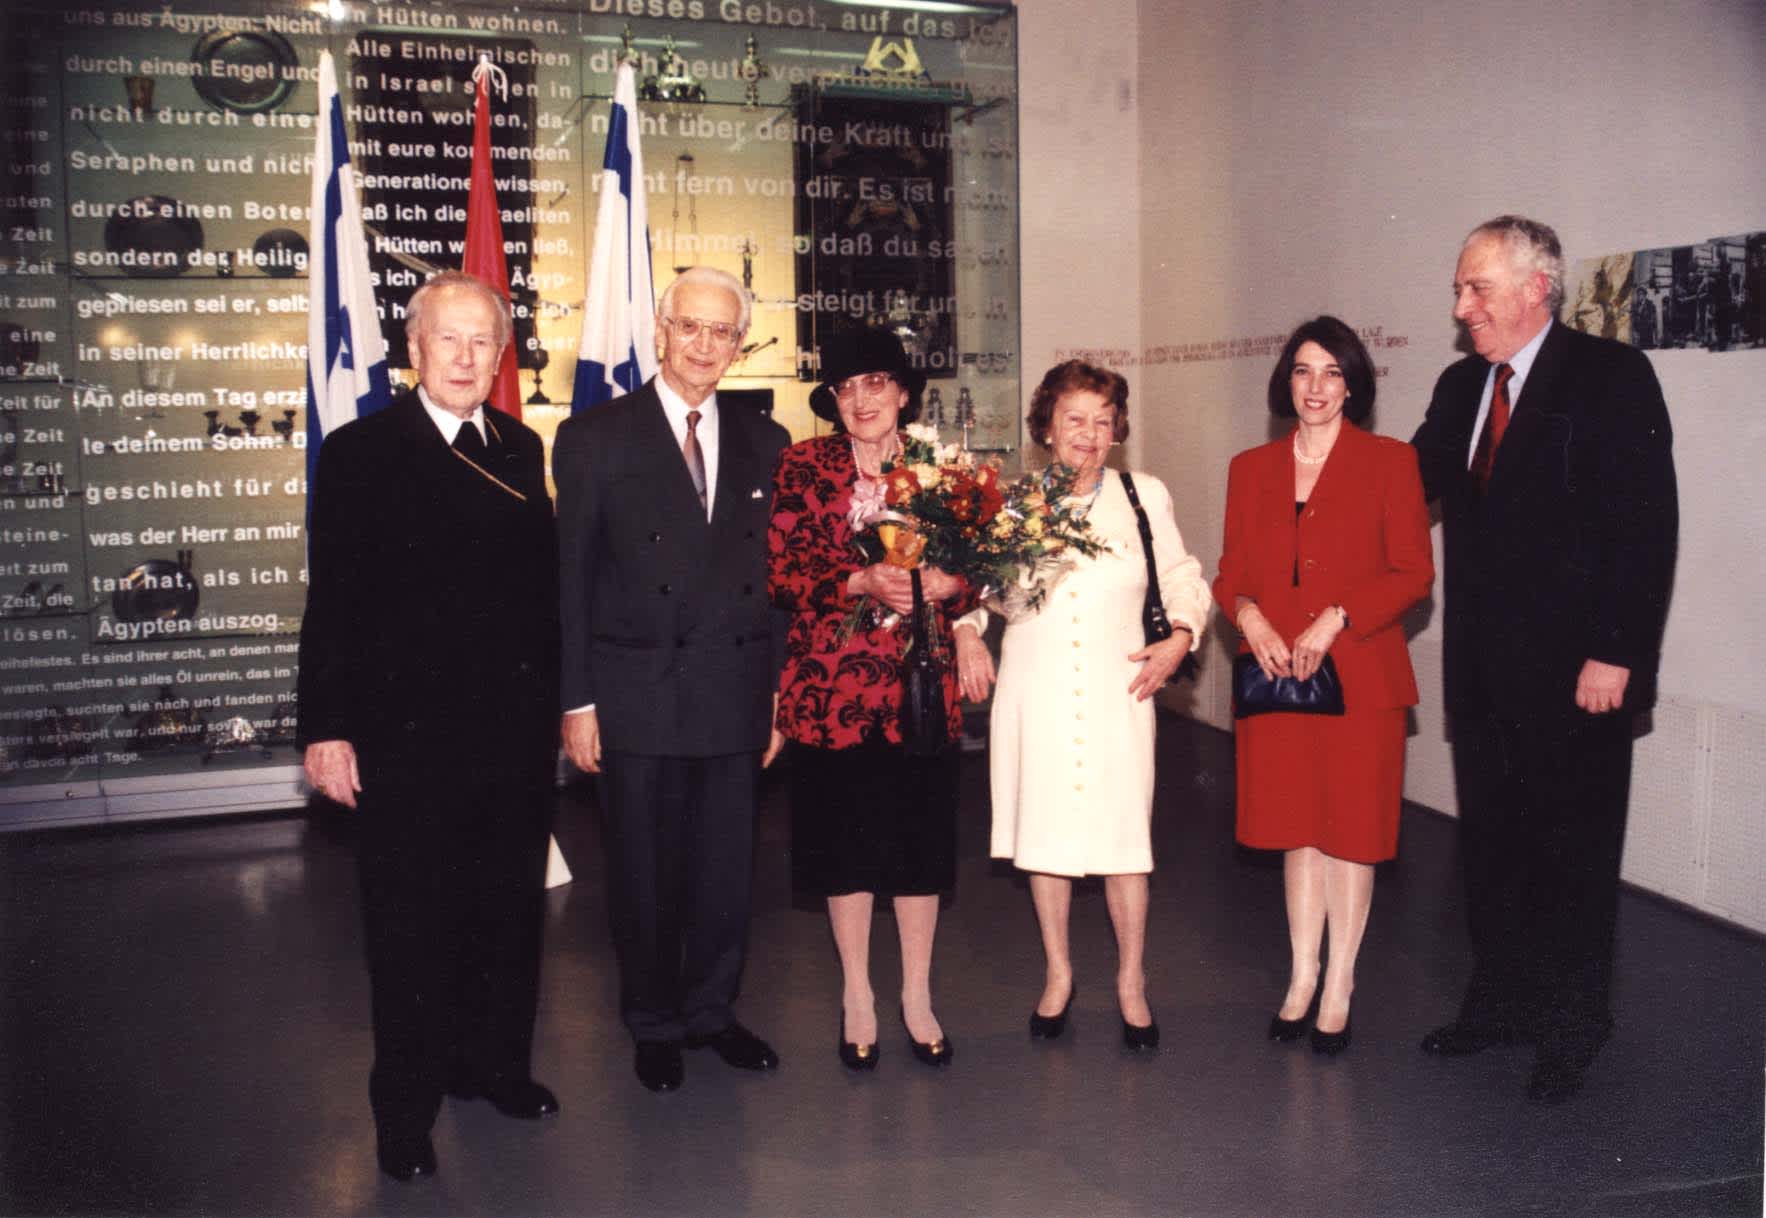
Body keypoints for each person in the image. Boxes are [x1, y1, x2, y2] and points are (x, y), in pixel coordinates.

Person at [297, 271, 561, 1182]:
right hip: (403, 741)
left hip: (511, 736)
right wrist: (327, 727)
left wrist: (562, 710)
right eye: (446, 339)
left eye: (481, 342)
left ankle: (495, 1067)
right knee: (411, 931)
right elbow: (329, 600)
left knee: (506, 916)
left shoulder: (522, 448)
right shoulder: (363, 451)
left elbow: (538, 600)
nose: (463, 356)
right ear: (414, 350)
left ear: (499, 355)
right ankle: (404, 1111)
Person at [1411, 216, 1677, 1103]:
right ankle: (1500, 1005)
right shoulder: (1459, 390)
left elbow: (1646, 528)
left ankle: (1573, 1025)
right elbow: (1404, 488)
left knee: (1574, 850)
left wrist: (1617, 652)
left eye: (1475, 289)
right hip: (1485, 677)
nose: (1461, 308)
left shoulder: (1611, 378)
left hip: (1579, 677)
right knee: (1493, 848)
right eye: (1460, 289)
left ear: (1537, 288)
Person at [554, 266, 789, 1094]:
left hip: (732, 690)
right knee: (645, 872)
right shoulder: (594, 437)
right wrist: (577, 702)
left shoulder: (769, 442)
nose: (704, 345)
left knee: (727, 872)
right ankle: (652, 1020)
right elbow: (571, 580)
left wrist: (775, 698)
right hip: (635, 693)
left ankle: (712, 1012)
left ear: (738, 344)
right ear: (659, 331)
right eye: (689, 326)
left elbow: (780, 586)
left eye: (722, 332)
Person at [954, 360, 1211, 1051]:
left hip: (1118, 687)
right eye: (1076, 419)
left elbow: (1184, 575)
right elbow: (975, 590)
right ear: (1046, 426)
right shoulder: (1014, 502)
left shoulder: (1142, 496)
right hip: (1034, 689)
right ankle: (1059, 974)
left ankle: (1131, 981)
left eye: (1104, 421)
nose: (1090, 435)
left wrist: (1181, 637)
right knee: (1047, 841)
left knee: (1126, 843)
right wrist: (966, 634)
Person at [1212, 318, 1434, 1057]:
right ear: (1286, 381)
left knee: (1351, 836)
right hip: (1278, 676)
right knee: (1296, 831)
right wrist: (1251, 619)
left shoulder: (1390, 462)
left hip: (1361, 673)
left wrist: (1337, 617)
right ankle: (1301, 977)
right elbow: (1232, 574)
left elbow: (1413, 572)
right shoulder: (1250, 467)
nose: (1316, 387)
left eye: (1333, 373)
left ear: (1354, 384)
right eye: (1304, 371)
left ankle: (1340, 982)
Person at [766, 329, 976, 1071]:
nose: (862, 400)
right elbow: (783, 575)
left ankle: (916, 995)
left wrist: (956, 588)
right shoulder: (802, 465)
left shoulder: (943, 471)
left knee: (919, 846)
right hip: (832, 687)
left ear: (905, 392)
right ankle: (858, 992)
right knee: (843, 846)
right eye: (847, 388)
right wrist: (857, 582)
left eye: (876, 384)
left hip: (919, 685)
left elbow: (978, 571)